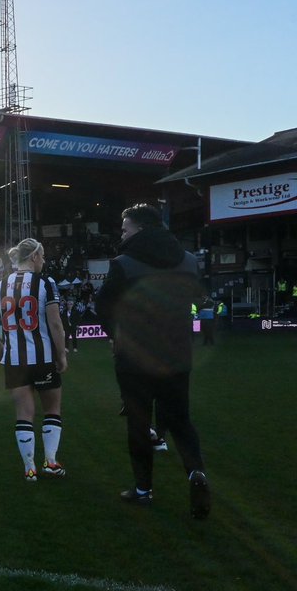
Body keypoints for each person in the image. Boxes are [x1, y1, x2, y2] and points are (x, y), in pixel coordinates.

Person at [96, 204, 211, 517]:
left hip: (135, 357)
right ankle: (195, 472)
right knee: (180, 420)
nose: (121, 234)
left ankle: (144, 490)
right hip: (177, 353)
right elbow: (196, 298)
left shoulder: (123, 263)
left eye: (125, 228)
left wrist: (115, 335)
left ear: (141, 229)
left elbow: (103, 305)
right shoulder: (188, 261)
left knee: (138, 423)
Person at [0, 238, 68, 481]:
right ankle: (50, 461)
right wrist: (61, 354)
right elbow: (55, 323)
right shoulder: (45, 283)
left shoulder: (0, 284)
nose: (44, 260)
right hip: (43, 357)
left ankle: (29, 468)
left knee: (24, 413)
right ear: (34, 257)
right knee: (52, 409)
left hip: (15, 360)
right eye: (43, 256)